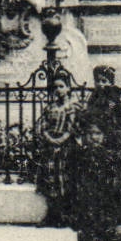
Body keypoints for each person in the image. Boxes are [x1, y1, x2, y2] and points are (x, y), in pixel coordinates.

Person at [34, 70, 83, 226]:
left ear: (68, 88)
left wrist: (61, 140)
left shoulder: (73, 106)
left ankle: (65, 216)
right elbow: (42, 125)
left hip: (66, 147)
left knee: (65, 180)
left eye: (61, 86)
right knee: (50, 180)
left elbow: (74, 127)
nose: (58, 90)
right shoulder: (51, 107)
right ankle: (52, 215)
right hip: (50, 147)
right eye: (55, 87)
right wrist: (49, 138)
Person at [82, 65, 121, 143]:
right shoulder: (94, 95)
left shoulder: (112, 96)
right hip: (96, 123)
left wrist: (105, 112)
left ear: (111, 83)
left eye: (104, 81)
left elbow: (111, 107)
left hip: (109, 123)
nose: (100, 84)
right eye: (97, 81)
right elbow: (90, 106)